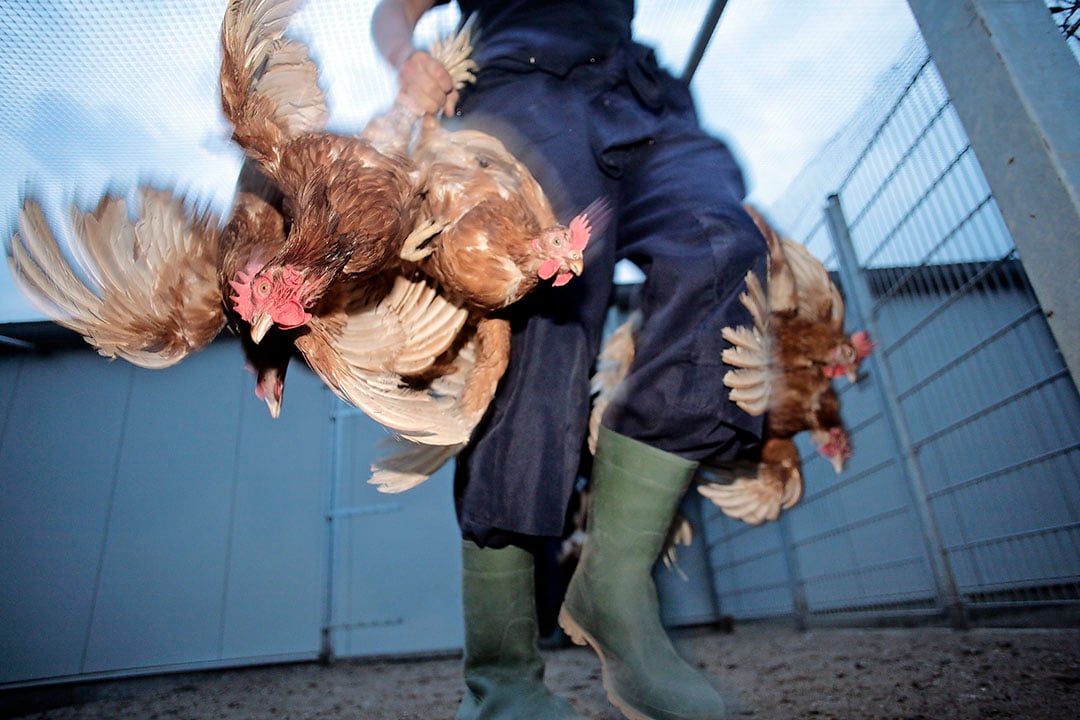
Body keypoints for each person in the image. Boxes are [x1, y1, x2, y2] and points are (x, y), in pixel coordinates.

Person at [372, 1, 767, 718]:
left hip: (644, 96)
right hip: (523, 90)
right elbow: (395, 6)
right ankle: (503, 680)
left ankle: (613, 587)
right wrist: (406, 57)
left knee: (719, 247)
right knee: (539, 331)